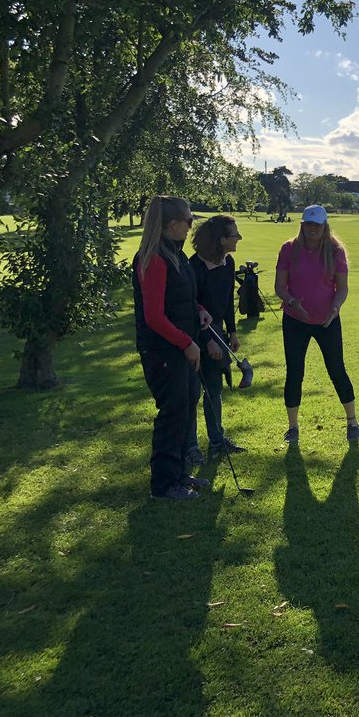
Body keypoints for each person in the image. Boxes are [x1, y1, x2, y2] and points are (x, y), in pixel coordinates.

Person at [133, 196, 211, 500]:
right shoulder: (153, 258)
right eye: (189, 221)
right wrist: (186, 343)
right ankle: (164, 485)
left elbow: (181, 298)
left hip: (182, 347)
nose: (192, 226)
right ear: (172, 225)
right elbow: (154, 316)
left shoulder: (175, 255)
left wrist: (199, 310)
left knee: (186, 406)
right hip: (163, 352)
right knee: (173, 413)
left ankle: (179, 475)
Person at [274, 205, 359, 444]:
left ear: (325, 227)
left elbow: (342, 288)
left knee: (336, 369)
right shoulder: (289, 249)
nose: (312, 229)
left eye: (317, 225)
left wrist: (335, 308)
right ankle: (293, 427)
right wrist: (291, 301)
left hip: (327, 320)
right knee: (294, 372)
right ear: (302, 225)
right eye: (308, 224)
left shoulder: (335, 251)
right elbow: (280, 286)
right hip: (295, 320)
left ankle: (352, 421)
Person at [185, 214, 246, 465]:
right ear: (222, 240)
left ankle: (217, 440)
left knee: (215, 389)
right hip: (194, 336)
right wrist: (206, 340)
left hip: (217, 333)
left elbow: (227, 301)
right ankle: (190, 447)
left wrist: (231, 332)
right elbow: (190, 309)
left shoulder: (228, 263)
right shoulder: (194, 267)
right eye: (234, 235)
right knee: (194, 392)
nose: (239, 238)